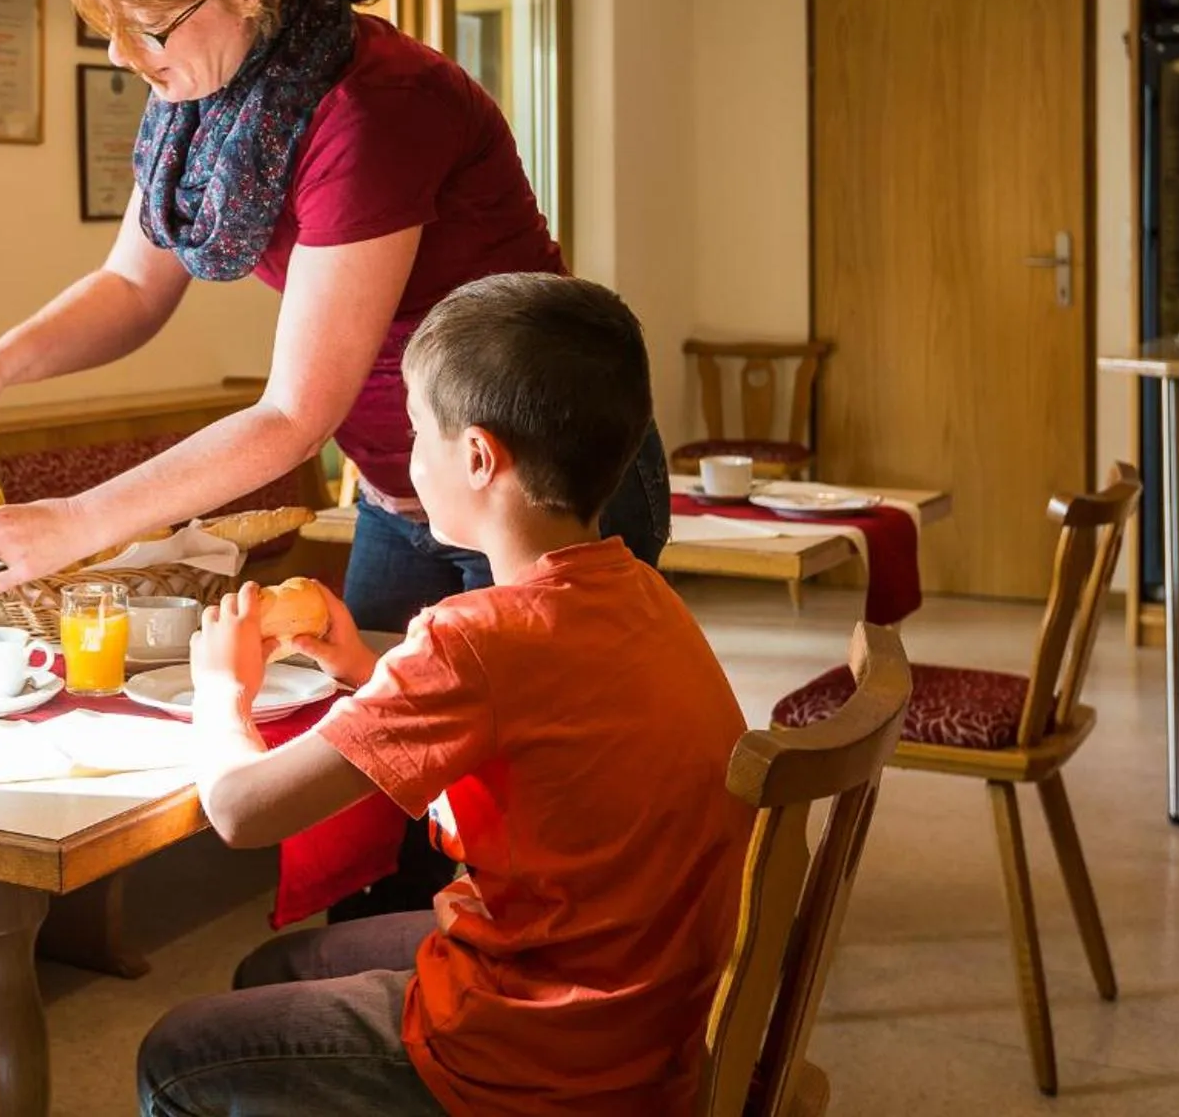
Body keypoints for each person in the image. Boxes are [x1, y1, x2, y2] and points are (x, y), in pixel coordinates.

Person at [0, 0, 667, 633]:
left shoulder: (374, 108)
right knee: (373, 735)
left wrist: (79, 523)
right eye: (110, 29)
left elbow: (293, 419)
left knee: (532, 751)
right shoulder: (199, 101)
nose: (126, 57)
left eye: (152, 27)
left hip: (541, 487)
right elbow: (133, 285)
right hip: (404, 486)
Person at [136, 274, 750, 1117]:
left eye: (416, 431)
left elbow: (240, 809)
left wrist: (218, 690)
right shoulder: (638, 595)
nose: (406, 457)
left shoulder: (474, 641)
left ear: (475, 457)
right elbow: (530, 757)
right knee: (272, 972)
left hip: (539, 1050)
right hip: (636, 1006)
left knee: (177, 1054)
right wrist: (359, 670)